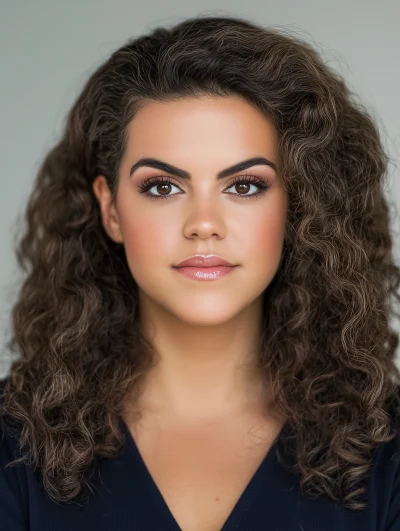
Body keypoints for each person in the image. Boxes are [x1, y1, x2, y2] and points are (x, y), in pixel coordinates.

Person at [1, 14, 400, 531]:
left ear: (299, 207)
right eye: (163, 187)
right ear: (111, 210)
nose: (204, 225)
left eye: (245, 185)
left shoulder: (385, 453)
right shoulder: (14, 445)